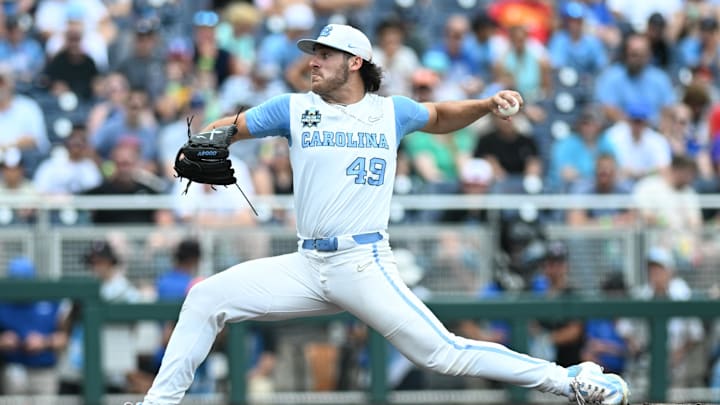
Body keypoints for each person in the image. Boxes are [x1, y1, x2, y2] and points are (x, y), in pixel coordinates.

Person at [141, 23, 629, 405]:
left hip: (362, 263)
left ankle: (571, 380)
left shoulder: (390, 112)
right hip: (306, 265)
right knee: (206, 299)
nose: (313, 61)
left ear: (355, 62)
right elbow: (236, 125)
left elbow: (439, 116)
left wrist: (484, 103)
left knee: (443, 354)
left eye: (325, 54)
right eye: (313, 52)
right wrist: (206, 136)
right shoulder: (295, 108)